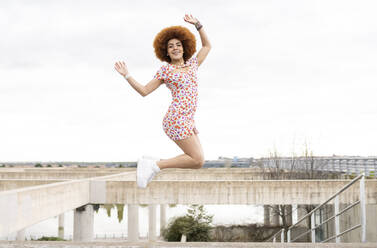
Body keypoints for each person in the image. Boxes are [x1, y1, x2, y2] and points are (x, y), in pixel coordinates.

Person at [114, 14, 211, 188]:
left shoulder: (193, 64)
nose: (175, 48)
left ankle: (152, 163)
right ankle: (155, 165)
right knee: (197, 159)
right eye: (171, 46)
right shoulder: (166, 71)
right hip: (176, 119)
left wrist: (197, 24)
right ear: (166, 52)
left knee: (198, 161)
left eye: (178, 45)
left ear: (184, 47)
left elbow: (207, 45)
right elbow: (144, 91)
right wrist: (127, 75)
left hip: (188, 119)